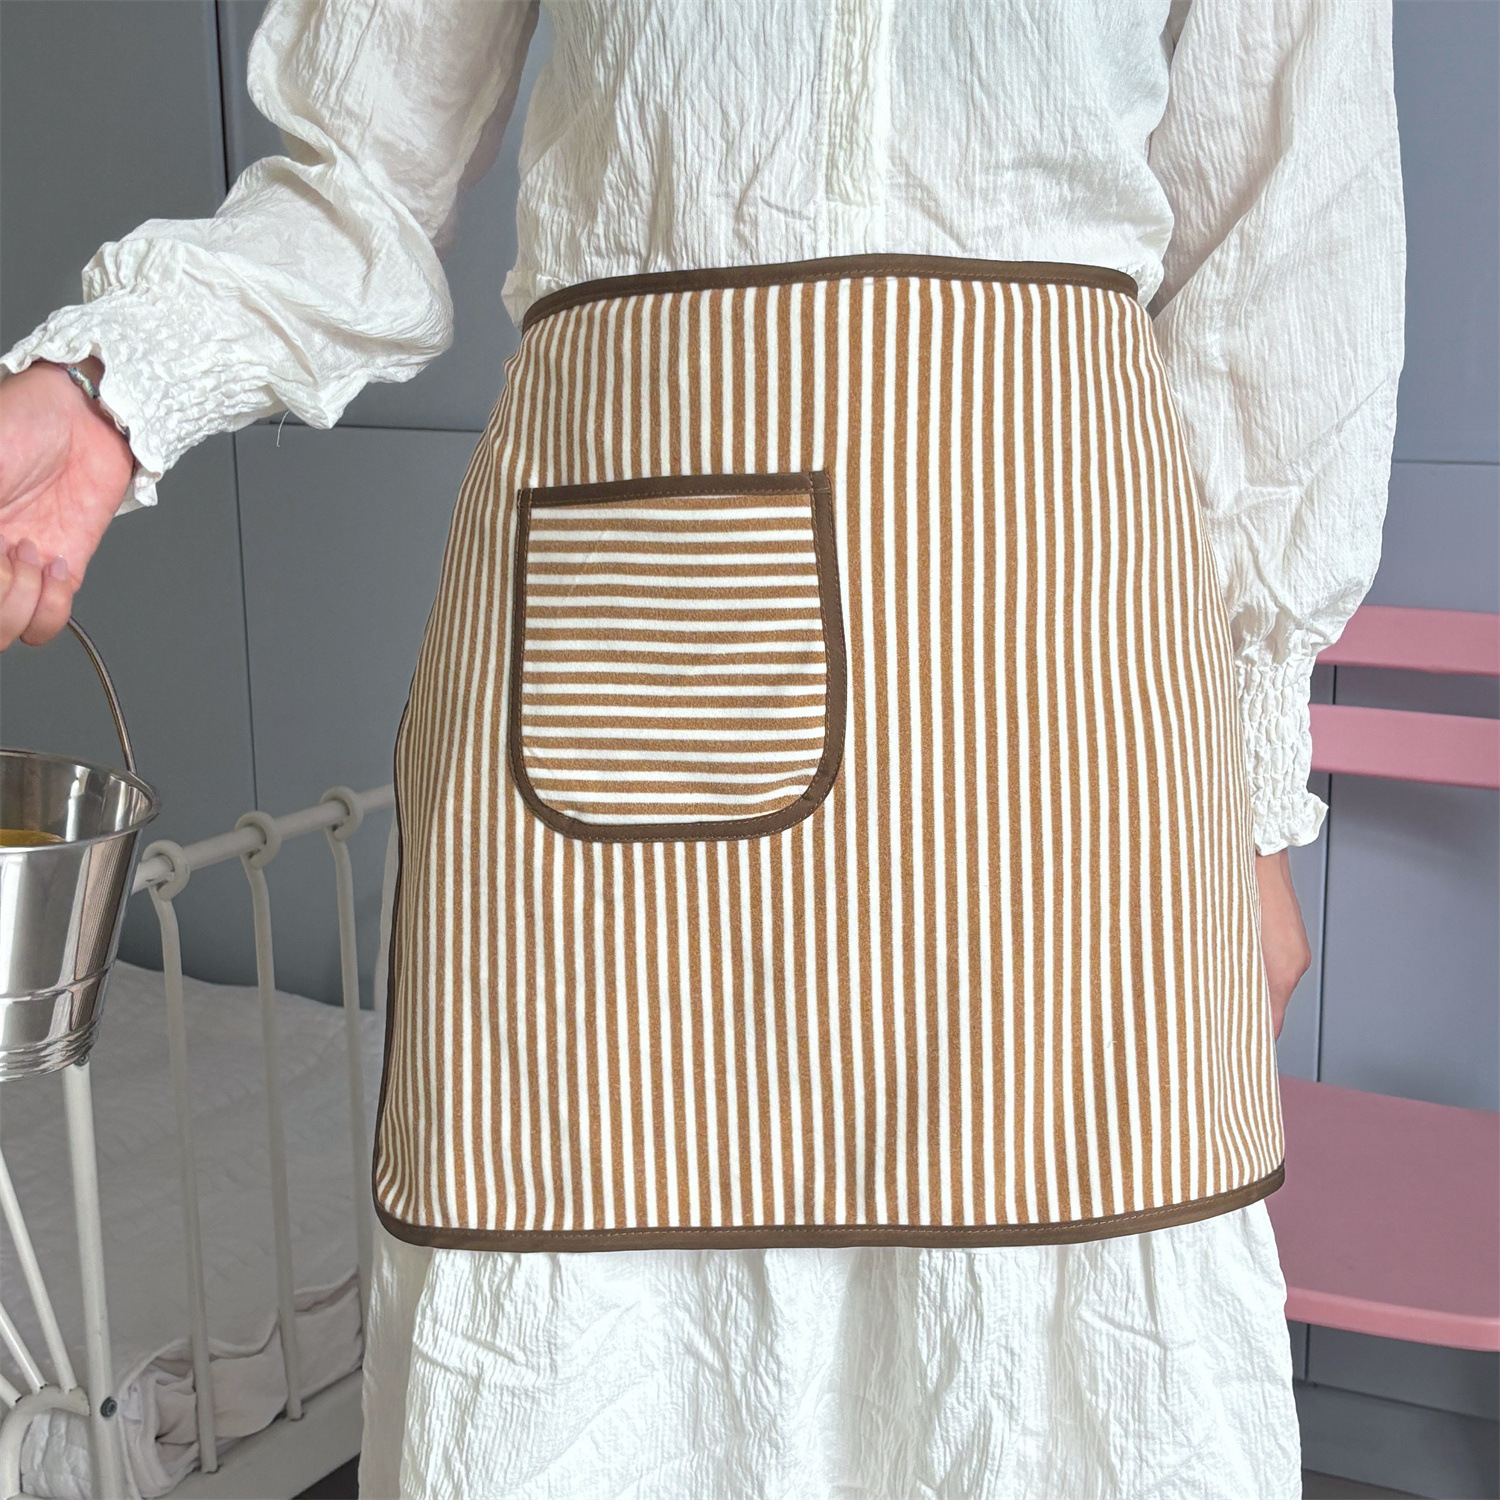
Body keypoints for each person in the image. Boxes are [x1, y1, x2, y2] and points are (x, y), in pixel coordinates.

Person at [0, 2, 1403, 1496]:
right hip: (621, 656)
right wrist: (106, 392)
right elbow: (358, 177)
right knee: (582, 1288)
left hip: (1060, 691)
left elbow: (1280, 245)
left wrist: (1253, 800)